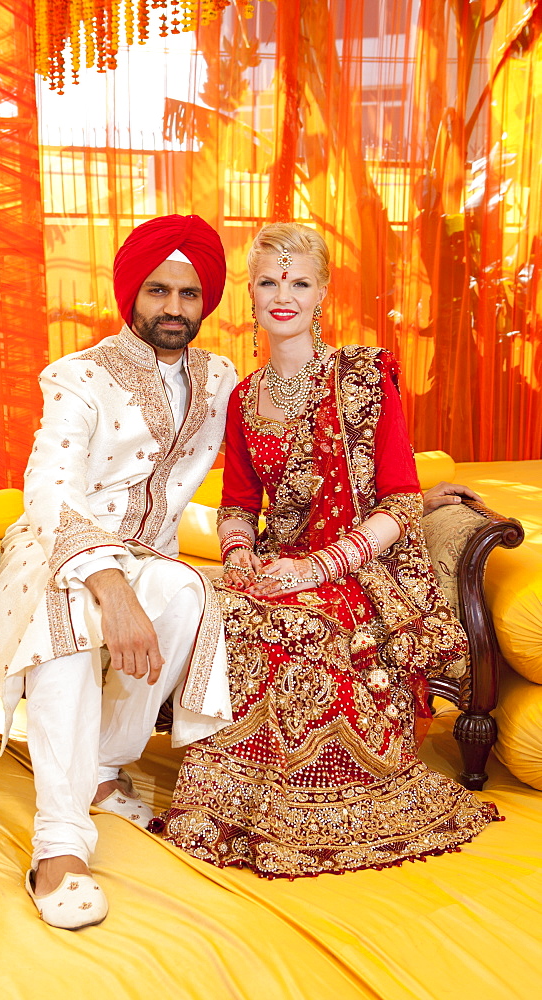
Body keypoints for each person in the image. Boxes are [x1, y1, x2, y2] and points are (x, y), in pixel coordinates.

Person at [154, 222, 499, 878]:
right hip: (277, 563)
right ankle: (231, 807)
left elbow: (399, 502)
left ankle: (318, 806)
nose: (283, 294)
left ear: (323, 294)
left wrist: (315, 567)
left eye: (300, 281)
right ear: (249, 298)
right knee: (214, 605)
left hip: (363, 568)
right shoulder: (242, 398)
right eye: (268, 281)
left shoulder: (364, 378)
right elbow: (238, 505)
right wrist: (237, 558)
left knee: (291, 619)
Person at [0, 214, 237, 928]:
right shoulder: (81, 376)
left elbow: (288, 442)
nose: (172, 308)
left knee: (190, 591)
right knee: (65, 617)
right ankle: (58, 846)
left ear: (206, 300)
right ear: (132, 294)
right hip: (54, 552)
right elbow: (49, 492)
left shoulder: (218, 379)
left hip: (150, 555)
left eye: (189, 294)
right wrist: (106, 581)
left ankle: (102, 768)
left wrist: (401, 489)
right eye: (157, 291)